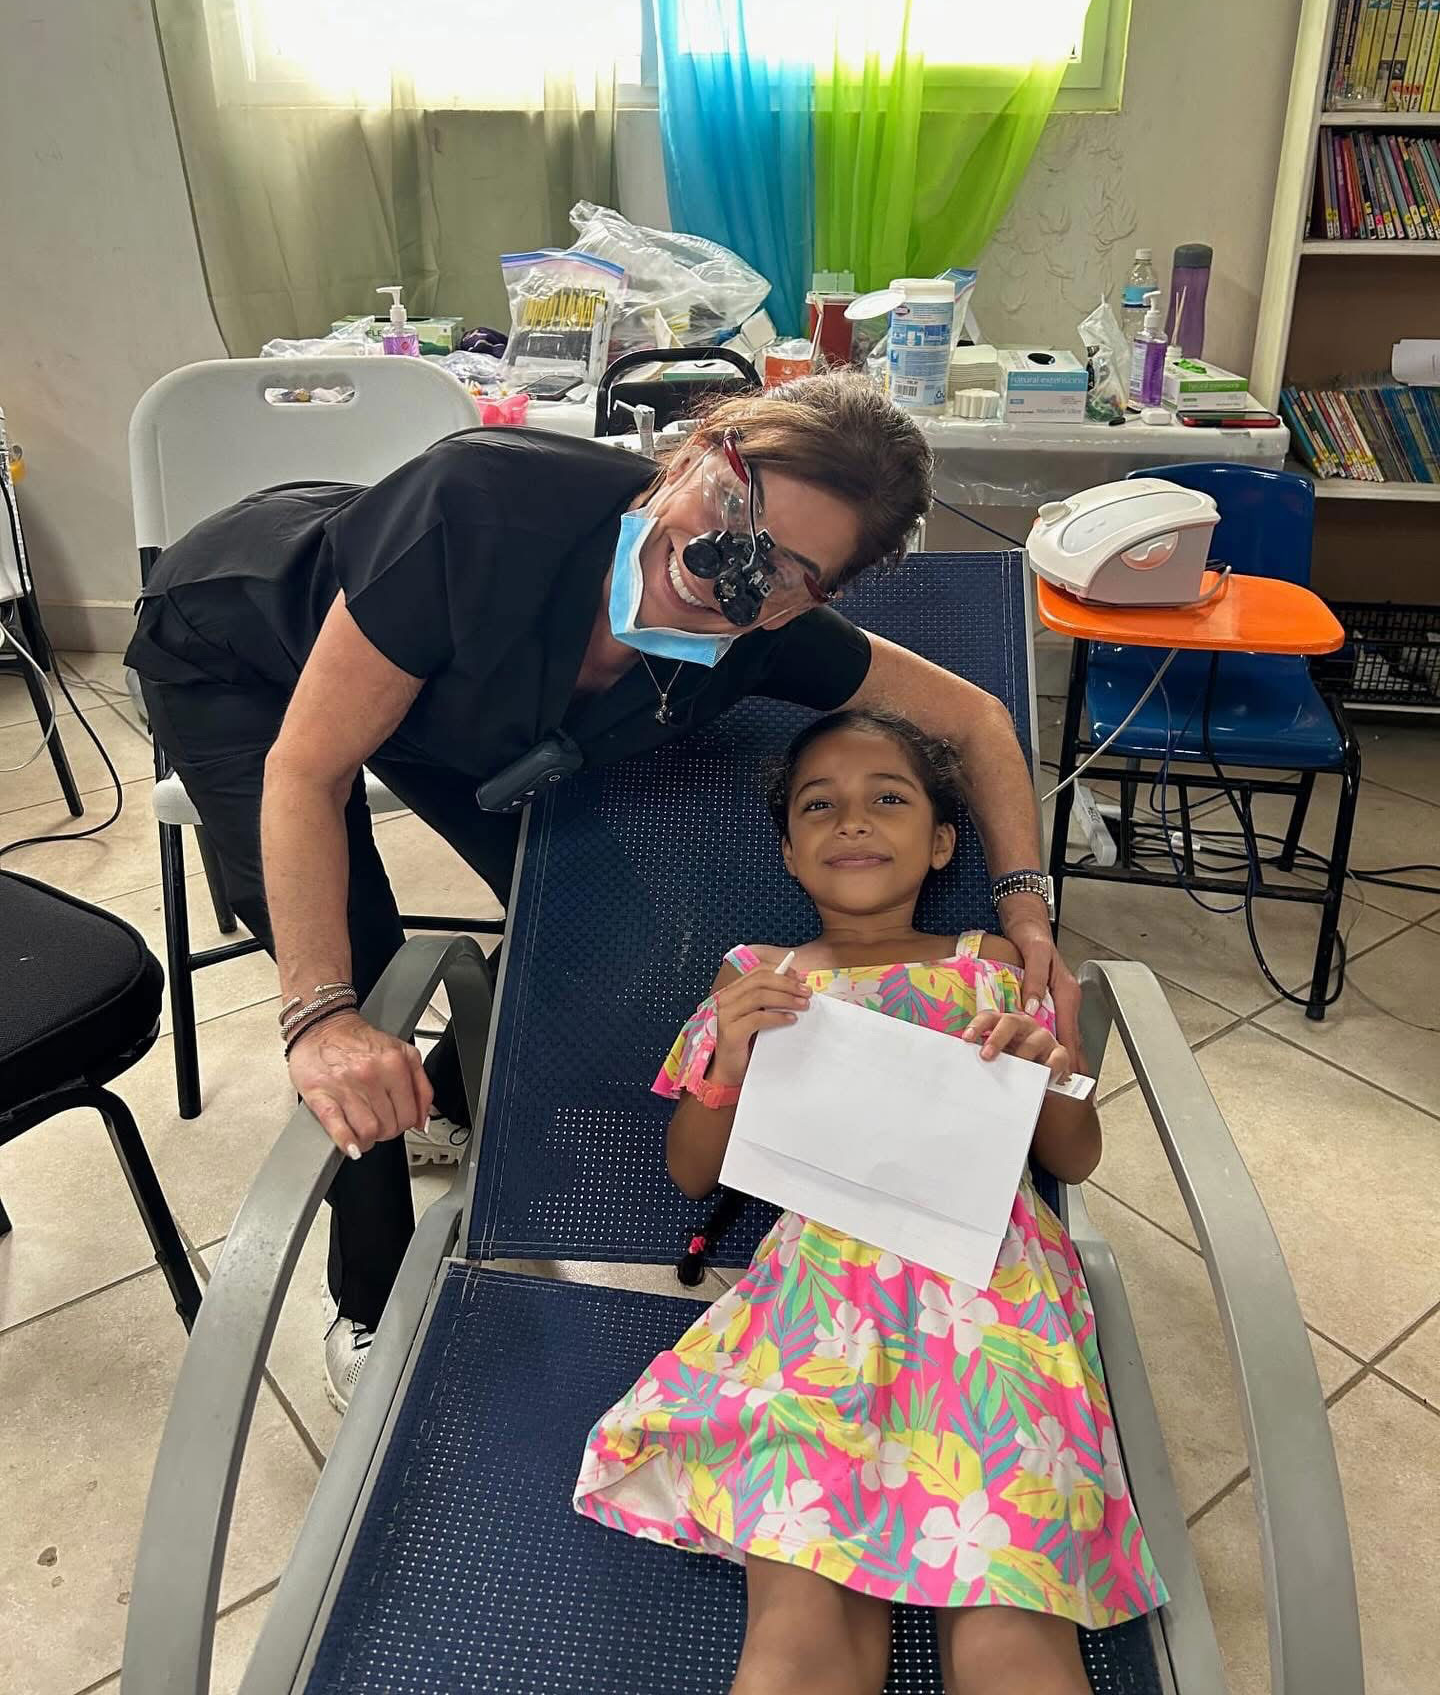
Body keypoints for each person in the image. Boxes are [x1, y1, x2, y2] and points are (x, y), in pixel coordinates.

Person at [124, 374, 1076, 1414]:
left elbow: (978, 721)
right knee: (360, 980)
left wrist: (1025, 904)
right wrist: (320, 1011)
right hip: (244, 648)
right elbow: (308, 769)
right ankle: (370, 1296)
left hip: (450, 701)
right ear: (694, 450)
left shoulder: (765, 637)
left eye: (779, 569)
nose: (722, 568)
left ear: (815, 599)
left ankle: (443, 1099)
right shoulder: (479, 504)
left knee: (589, 924)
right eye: (729, 505)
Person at [573, 710, 1166, 1695]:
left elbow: (1077, 1154)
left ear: (940, 842)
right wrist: (728, 1059)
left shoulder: (993, 963)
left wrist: (1049, 1069)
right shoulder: (757, 978)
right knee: (798, 1641)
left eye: (888, 798)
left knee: (1011, 1638)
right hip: (817, 1311)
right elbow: (691, 1172)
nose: (854, 821)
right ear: (791, 853)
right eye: (821, 806)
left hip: (996, 1304)